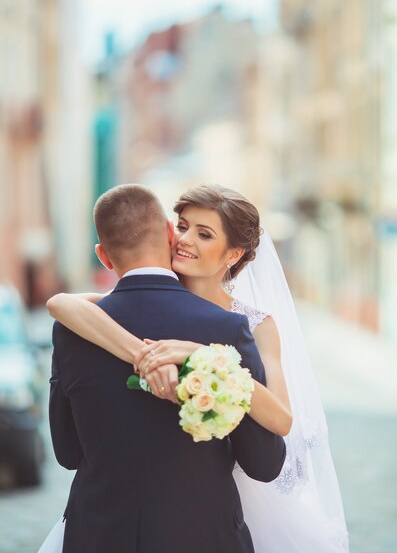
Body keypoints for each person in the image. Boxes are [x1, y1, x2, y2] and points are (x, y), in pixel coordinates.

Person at [44, 183, 349, 552]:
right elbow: (61, 303)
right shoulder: (223, 329)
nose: (186, 240)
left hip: (102, 531)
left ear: (233, 254)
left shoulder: (249, 325)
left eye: (204, 234)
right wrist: (144, 356)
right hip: (205, 531)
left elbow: (281, 422)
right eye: (184, 226)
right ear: (169, 232)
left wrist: (203, 359)